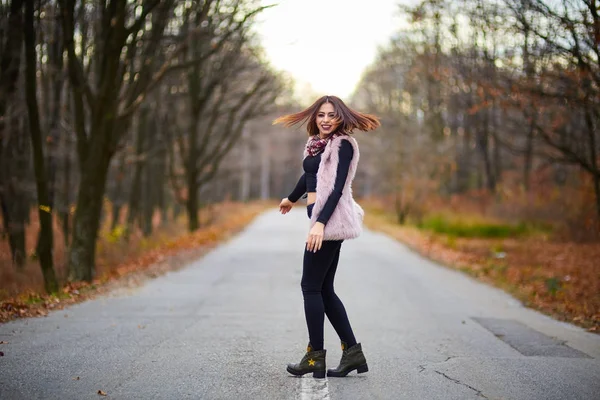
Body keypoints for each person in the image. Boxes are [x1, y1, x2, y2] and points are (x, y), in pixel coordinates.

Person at [273, 95, 380, 378]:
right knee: (324, 289)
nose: (325, 120)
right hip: (321, 219)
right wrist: (291, 198)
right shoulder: (317, 144)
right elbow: (310, 176)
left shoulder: (343, 145)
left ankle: (315, 357)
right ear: (314, 117)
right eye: (321, 114)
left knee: (310, 287)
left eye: (331, 115)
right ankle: (352, 354)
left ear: (340, 117)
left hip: (329, 221)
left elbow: (336, 188)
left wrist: (320, 224)